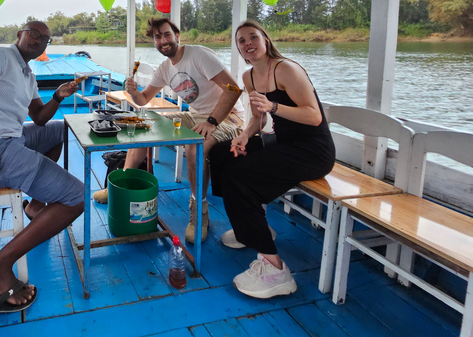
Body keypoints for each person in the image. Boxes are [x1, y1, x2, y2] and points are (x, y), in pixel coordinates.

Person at [0, 21, 84, 313]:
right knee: (77, 197)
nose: (39, 40)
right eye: (33, 33)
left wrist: (57, 96)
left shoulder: (27, 73)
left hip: (14, 138)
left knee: (59, 129)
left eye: (45, 38)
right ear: (19, 34)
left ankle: (36, 205)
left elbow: (41, 118)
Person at [209, 20, 335, 299]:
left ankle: (275, 268)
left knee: (238, 176)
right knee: (221, 152)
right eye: (241, 40)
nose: (247, 43)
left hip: (313, 149)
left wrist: (276, 106)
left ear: (265, 40)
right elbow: (258, 118)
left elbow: (314, 116)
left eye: (253, 37)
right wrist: (243, 137)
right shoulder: (249, 77)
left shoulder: (286, 69)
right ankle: (253, 226)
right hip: (284, 142)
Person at [93, 17, 244, 244]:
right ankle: (121, 182)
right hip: (196, 116)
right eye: (157, 37)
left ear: (176, 35)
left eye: (166, 34)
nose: (163, 40)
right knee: (145, 127)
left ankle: (199, 213)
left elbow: (234, 89)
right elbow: (143, 100)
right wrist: (133, 91)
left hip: (228, 117)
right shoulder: (165, 68)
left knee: (195, 147)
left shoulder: (198, 55)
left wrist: (212, 122)